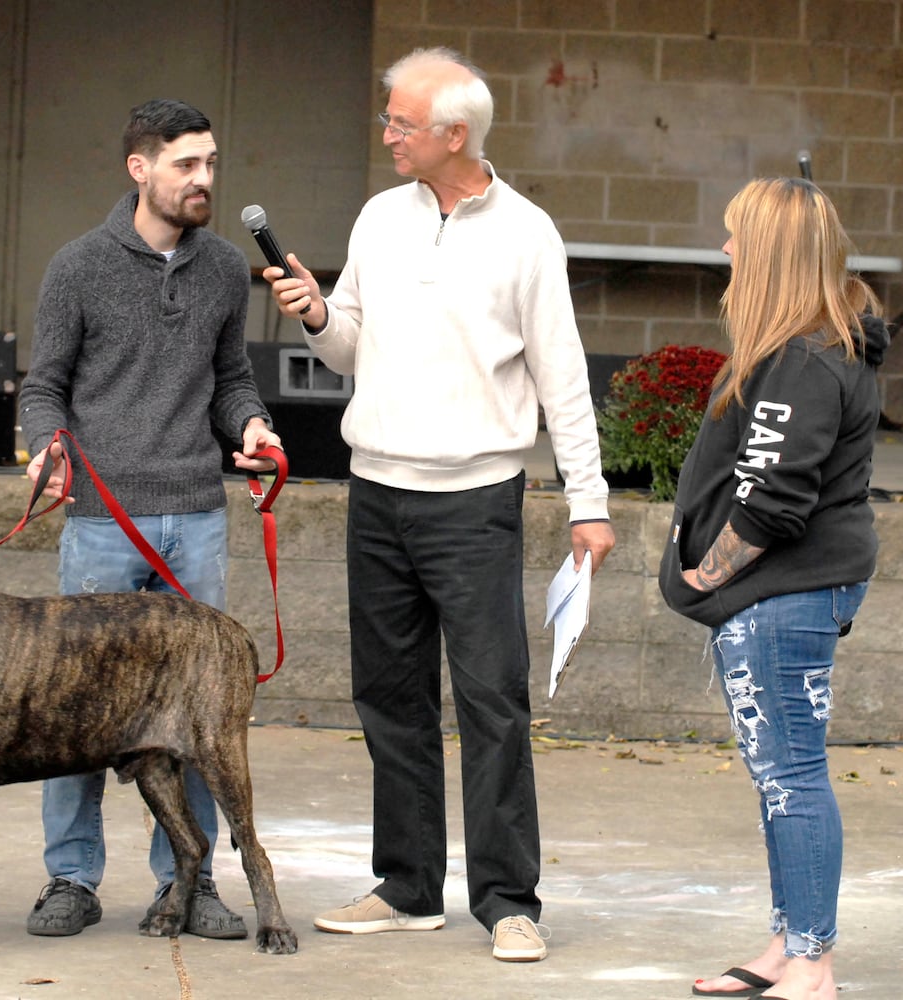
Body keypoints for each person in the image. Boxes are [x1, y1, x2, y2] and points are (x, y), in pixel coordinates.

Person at [263, 47, 615, 964]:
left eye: (401, 124)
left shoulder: (528, 232)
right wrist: (313, 313)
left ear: (453, 134)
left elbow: (563, 376)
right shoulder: (381, 217)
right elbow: (348, 350)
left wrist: (590, 500)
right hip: (376, 491)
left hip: (475, 501)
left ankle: (508, 901)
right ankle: (410, 886)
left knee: (491, 700)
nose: (387, 135)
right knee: (390, 697)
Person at [16, 98, 281, 941]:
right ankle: (71, 878)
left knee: (200, 720)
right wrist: (46, 446)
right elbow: (43, 386)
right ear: (141, 168)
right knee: (72, 708)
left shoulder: (223, 269)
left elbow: (231, 377)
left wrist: (250, 423)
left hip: (195, 517)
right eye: (187, 165)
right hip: (101, 520)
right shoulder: (78, 266)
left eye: (211, 162)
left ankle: (190, 880)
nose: (205, 178)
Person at [659, 177, 888, 1000]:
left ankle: (814, 963)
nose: (724, 251)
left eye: (734, 236)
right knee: (780, 773)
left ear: (771, 254)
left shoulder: (804, 359)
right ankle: (789, 945)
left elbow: (772, 496)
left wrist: (704, 573)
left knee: (792, 774)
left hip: (783, 595)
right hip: (789, 593)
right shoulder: (812, 347)